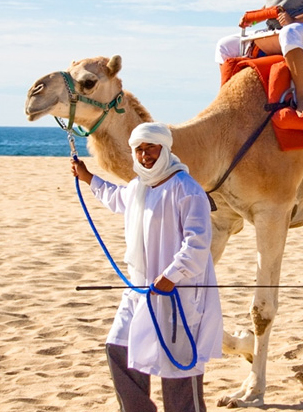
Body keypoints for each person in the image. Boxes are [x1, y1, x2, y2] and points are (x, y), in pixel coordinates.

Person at [71, 122, 222, 412]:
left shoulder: (187, 189)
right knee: (118, 349)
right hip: (140, 291)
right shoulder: (139, 186)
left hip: (179, 295)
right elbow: (117, 198)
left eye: (150, 147)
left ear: (164, 148)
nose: (144, 155)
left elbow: (198, 244)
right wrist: (88, 177)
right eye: (138, 150)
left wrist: (172, 275)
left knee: (179, 370)